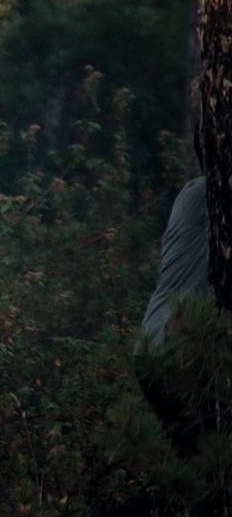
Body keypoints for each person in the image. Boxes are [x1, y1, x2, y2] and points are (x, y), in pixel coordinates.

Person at [136, 129, 212, 457]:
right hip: (181, 351)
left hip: (153, 349)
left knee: (193, 465)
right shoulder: (205, 194)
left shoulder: (191, 194)